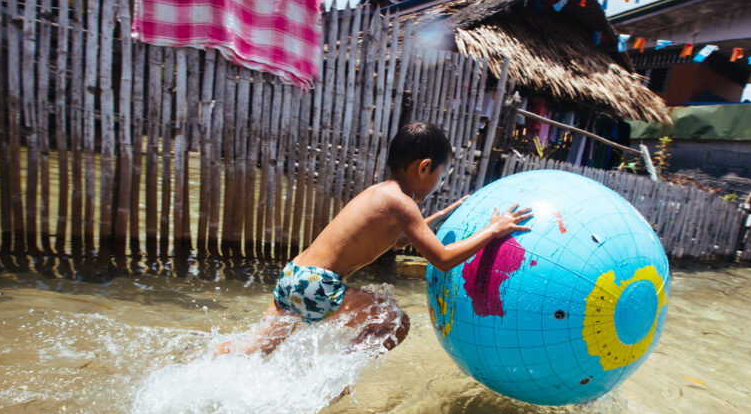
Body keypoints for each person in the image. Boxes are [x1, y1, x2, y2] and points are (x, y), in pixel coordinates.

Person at [218, 122, 532, 356]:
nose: (440, 182)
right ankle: (334, 379)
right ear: (425, 168)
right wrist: (493, 230)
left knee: (252, 350)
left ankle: (205, 361)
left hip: (294, 276)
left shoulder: (380, 193)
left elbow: (395, 242)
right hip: (320, 283)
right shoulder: (403, 204)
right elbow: (443, 259)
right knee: (396, 323)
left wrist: (441, 215)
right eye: (442, 174)